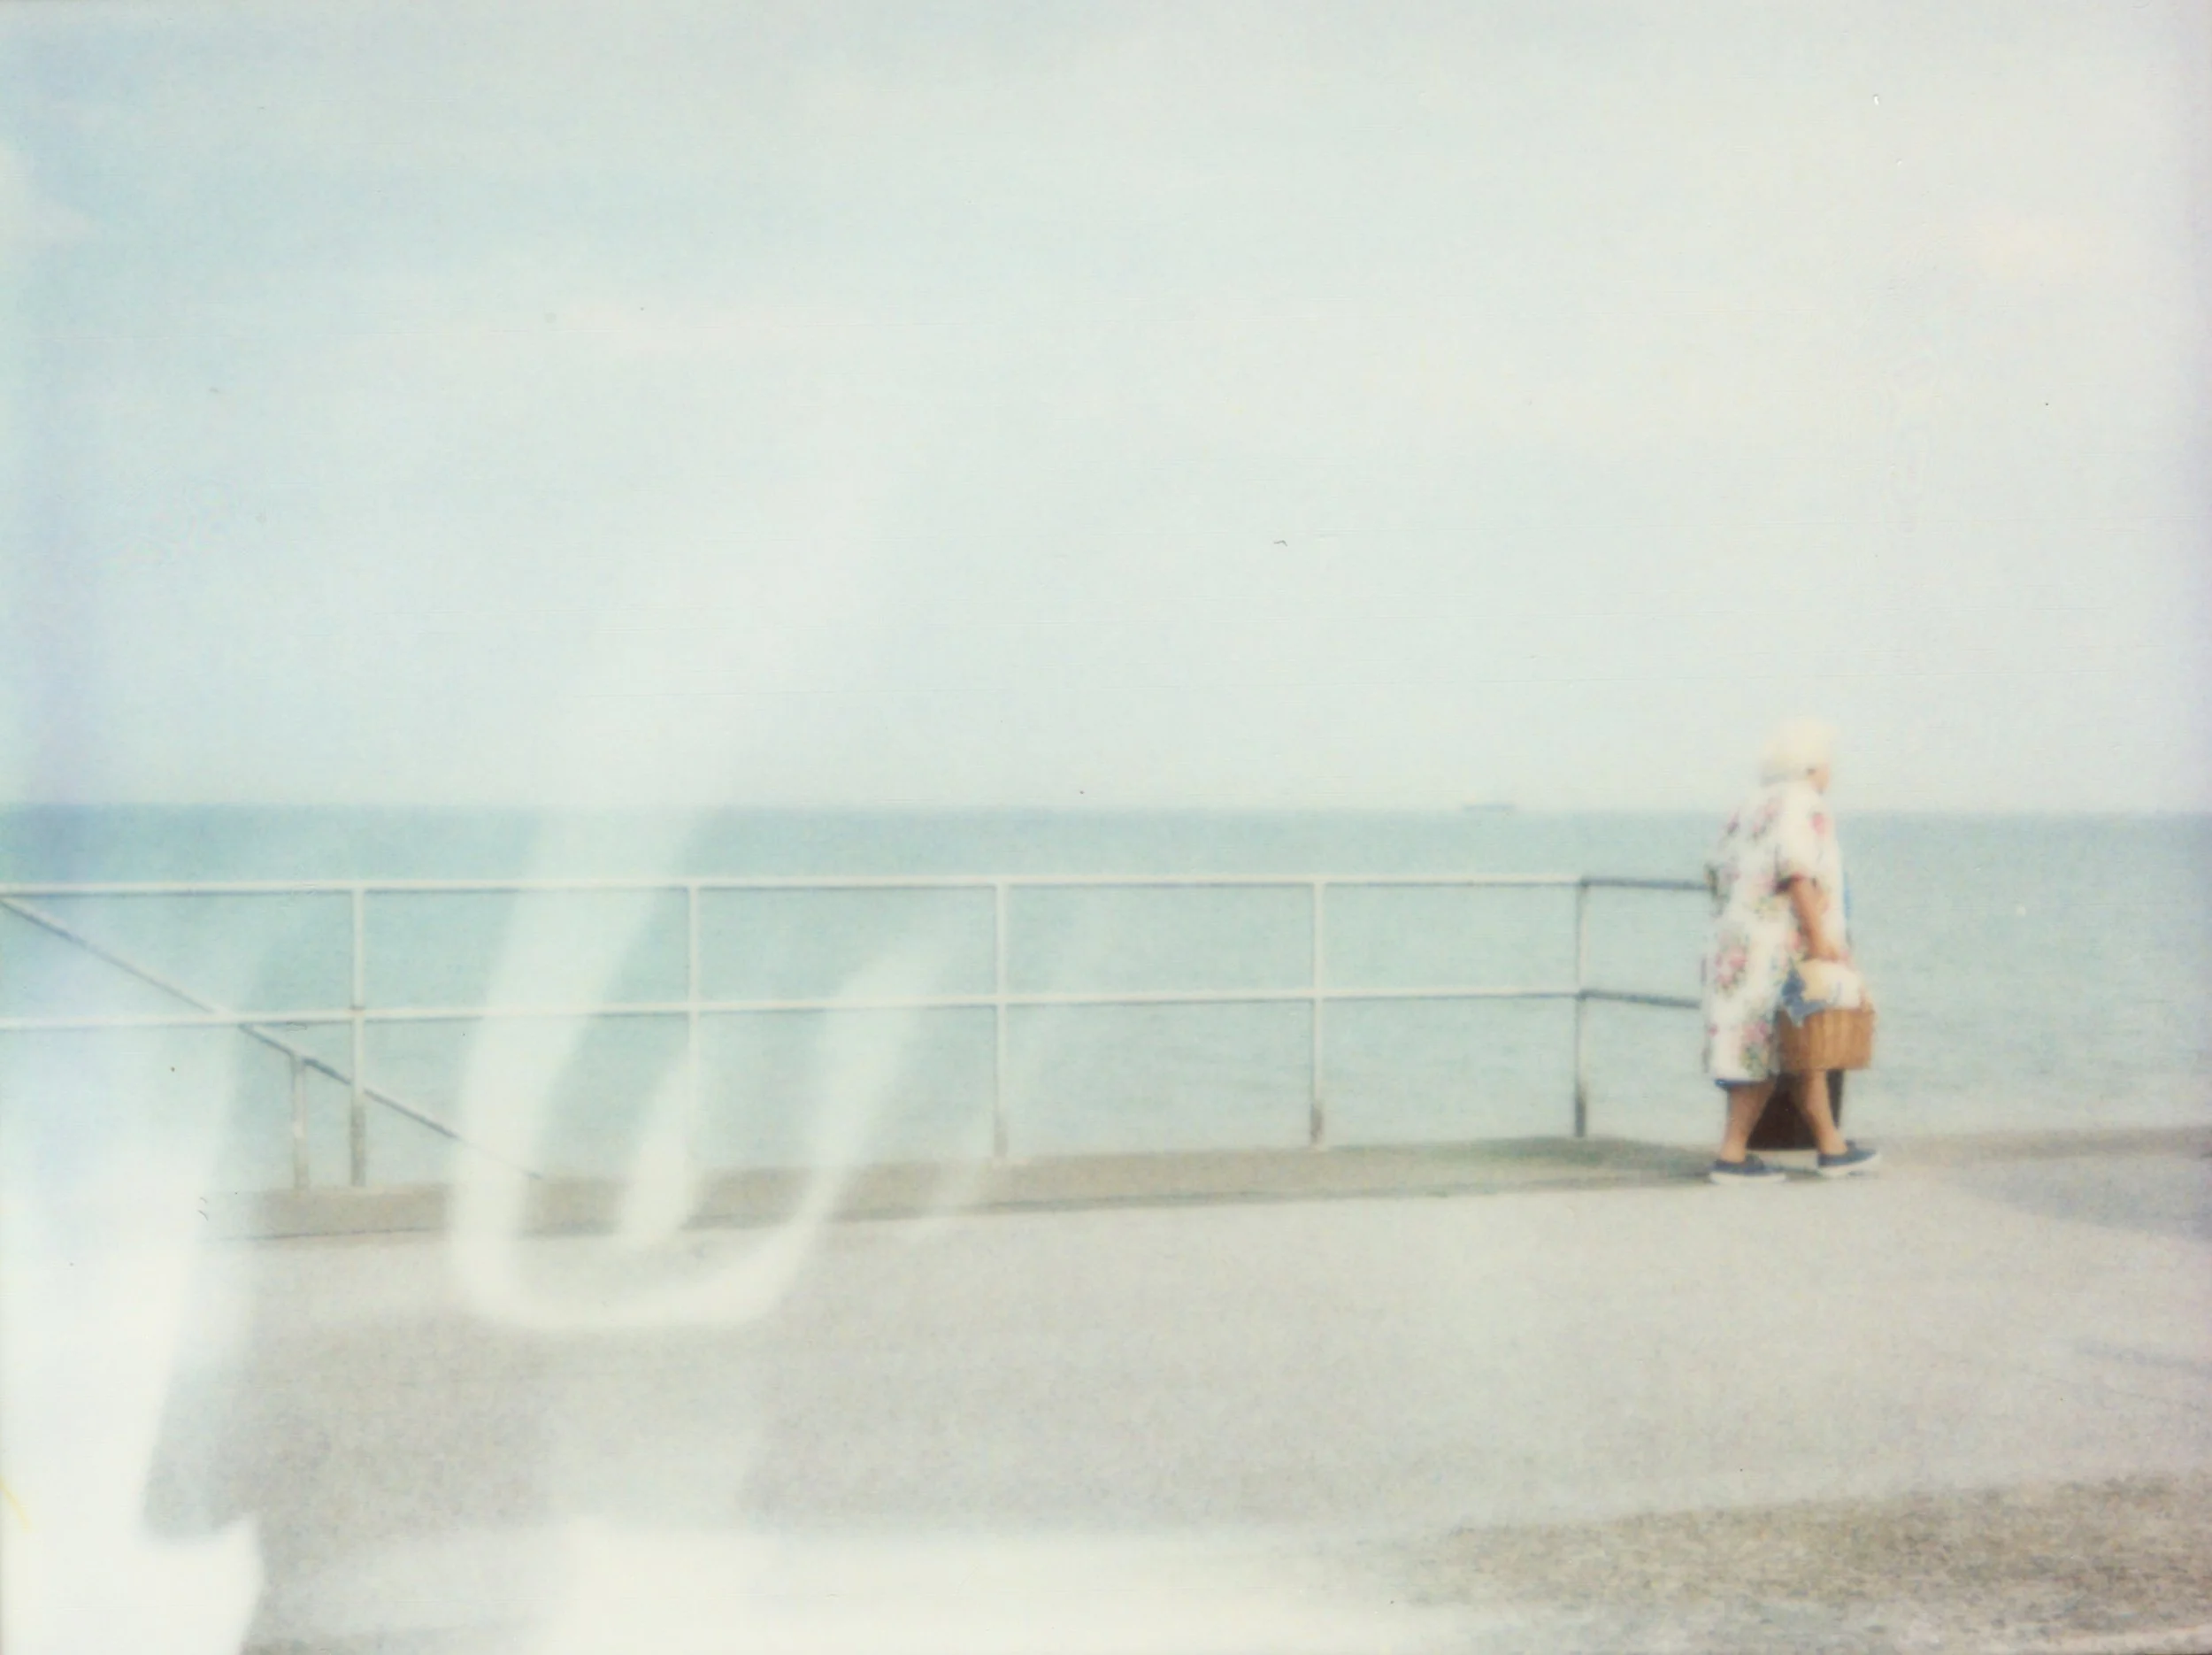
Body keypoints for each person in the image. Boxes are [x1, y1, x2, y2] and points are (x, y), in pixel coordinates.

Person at [1700, 720, 1881, 1183]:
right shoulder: (1804, 803)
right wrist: (1821, 941)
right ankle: (1732, 1156)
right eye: (1827, 762)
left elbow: (1715, 873)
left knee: (1800, 1047)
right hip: (1779, 946)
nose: (1831, 771)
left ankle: (1831, 1147)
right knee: (1765, 1048)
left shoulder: (1747, 806)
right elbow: (1797, 871)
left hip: (1735, 944)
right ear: (1811, 765)